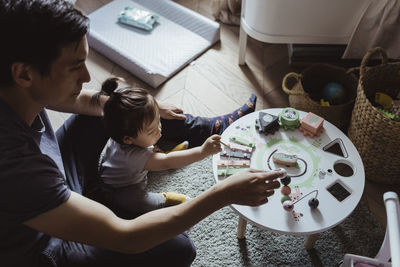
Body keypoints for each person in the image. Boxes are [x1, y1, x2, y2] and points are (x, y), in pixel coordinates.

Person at [0, 1, 283, 266]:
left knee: (124, 110)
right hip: (46, 247)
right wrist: (222, 194)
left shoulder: (16, 87)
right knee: (179, 248)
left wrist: (152, 107)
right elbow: (126, 236)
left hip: (54, 180)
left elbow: (88, 101)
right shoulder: (15, 167)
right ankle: (93, 201)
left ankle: (210, 128)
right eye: (75, 67)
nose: (87, 76)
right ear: (24, 74)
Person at [97, 77, 223, 216]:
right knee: (141, 203)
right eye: (152, 130)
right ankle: (166, 199)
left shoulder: (122, 133)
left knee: (152, 149)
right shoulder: (133, 156)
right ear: (128, 139)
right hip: (120, 190)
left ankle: (158, 152)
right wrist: (202, 151)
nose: (159, 129)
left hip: (128, 167)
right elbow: (167, 162)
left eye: (158, 121)